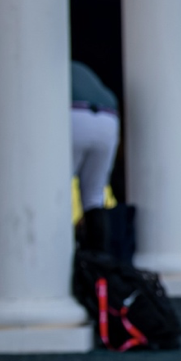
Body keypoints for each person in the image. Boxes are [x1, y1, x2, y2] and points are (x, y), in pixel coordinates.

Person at [70, 61, 120, 252]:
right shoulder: (80, 69)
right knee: (93, 196)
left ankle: (57, 266)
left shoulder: (41, 69)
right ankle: (99, 266)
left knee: (54, 193)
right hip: (109, 119)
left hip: (73, 113)